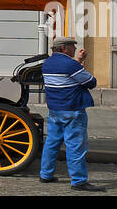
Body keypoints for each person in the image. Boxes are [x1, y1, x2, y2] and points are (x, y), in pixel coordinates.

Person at [39, 35, 102, 191]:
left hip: (55, 109)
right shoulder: (70, 65)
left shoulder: (47, 63)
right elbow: (91, 82)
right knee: (76, 146)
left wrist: (78, 61)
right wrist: (79, 63)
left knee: (52, 142)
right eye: (72, 46)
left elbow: (69, 77)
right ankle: (79, 181)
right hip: (72, 109)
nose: (75, 49)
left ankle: (45, 174)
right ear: (63, 48)